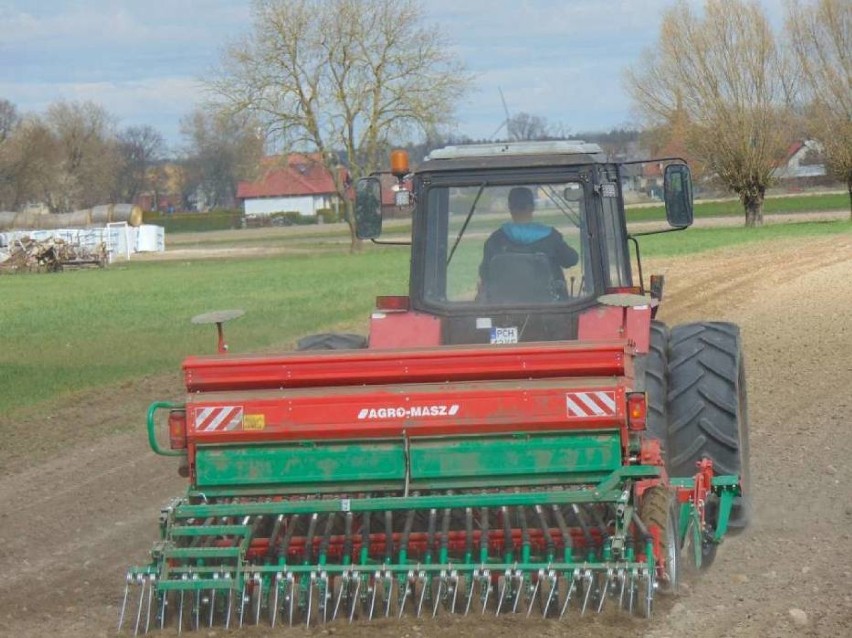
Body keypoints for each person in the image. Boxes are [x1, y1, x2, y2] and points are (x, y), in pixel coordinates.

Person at [478, 186, 579, 301]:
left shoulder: (495, 240)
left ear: (510, 207)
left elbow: (485, 274)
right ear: (532, 207)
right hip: (549, 307)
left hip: (507, 307)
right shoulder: (551, 237)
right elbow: (571, 260)